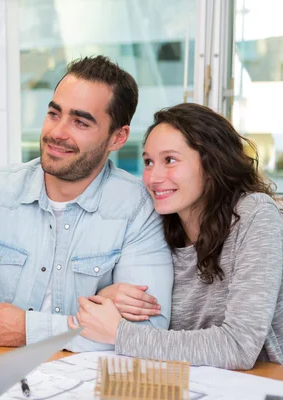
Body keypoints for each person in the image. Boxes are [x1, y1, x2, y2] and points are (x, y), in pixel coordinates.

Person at [0, 56, 174, 351]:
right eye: (54, 114)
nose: (57, 132)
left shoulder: (138, 209)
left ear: (117, 137)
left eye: (80, 122)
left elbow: (145, 331)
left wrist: (32, 331)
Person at [70, 102, 283, 369]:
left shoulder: (255, 214)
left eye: (170, 160)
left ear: (211, 162)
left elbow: (239, 346)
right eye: (148, 162)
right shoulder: (155, 221)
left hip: (257, 383)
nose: (153, 177)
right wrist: (108, 293)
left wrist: (120, 334)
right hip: (179, 380)